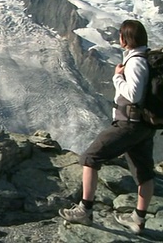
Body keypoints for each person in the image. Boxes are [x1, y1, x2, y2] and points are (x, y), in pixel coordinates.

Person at [59, 19, 154, 234]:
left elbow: (134, 94)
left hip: (129, 124)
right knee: (144, 173)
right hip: (144, 126)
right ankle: (138, 220)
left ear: (125, 38)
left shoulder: (136, 61)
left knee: (90, 158)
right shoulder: (147, 58)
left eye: (121, 35)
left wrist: (117, 78)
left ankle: (85, 210)